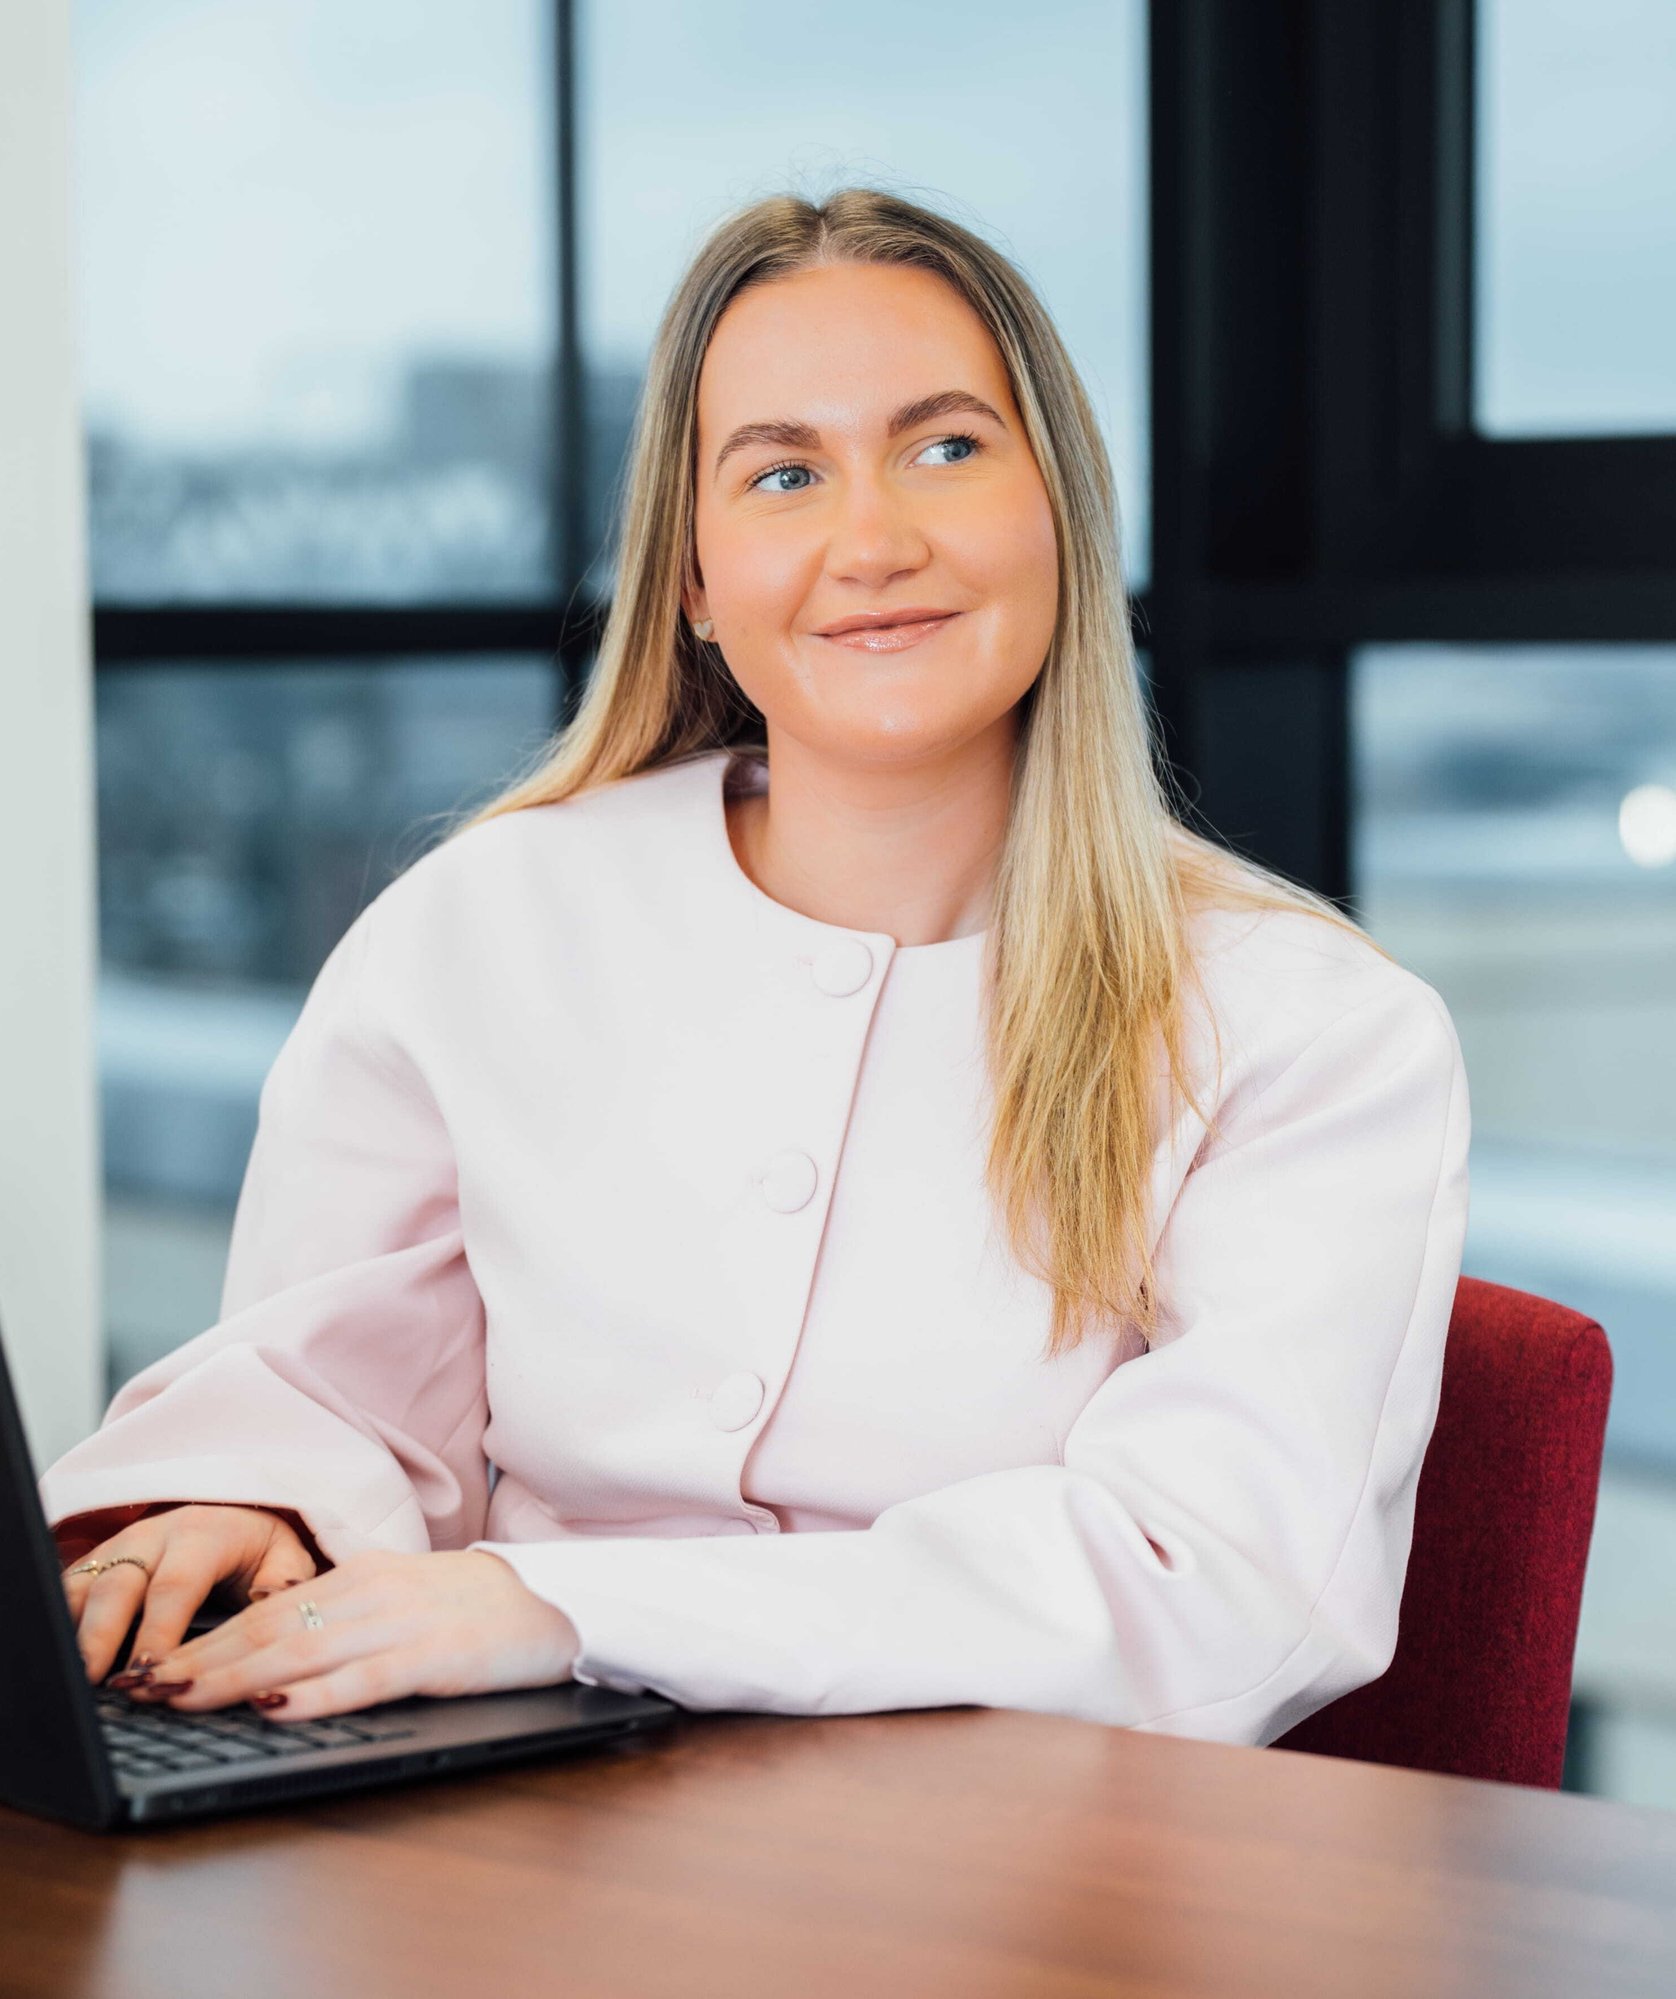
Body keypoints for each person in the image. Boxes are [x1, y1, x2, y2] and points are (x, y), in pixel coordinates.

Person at [41, 186, 1470, 1744]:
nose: (874, 540)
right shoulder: (486, 924)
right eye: (784, 472)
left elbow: (1219, 1589)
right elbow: (342, 1379)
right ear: (697, 585)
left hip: (1016, 1889)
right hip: (508, 1845)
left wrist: (566, 1609)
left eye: (946, 447)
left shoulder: (1310, 1029)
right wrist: (257, 1507)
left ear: (1063, 510)